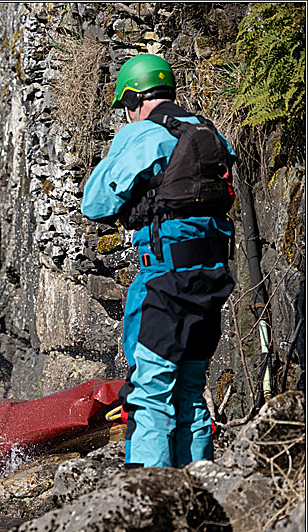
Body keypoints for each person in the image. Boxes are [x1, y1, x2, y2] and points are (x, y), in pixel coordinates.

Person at [81, 53, 236, 468]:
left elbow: (95, 203)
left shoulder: (144, 135)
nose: (126, 117)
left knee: (149, 392)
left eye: (126, 108)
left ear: (135, 98)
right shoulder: (209, 132)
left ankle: (147, 498)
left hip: (164, 282)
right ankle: (200, 489)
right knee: (189, 389)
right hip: (211, 278)